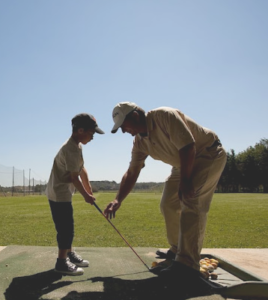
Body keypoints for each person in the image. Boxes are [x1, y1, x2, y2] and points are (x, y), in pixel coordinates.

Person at [104, 102, 227, 282]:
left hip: (206, 155)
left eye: (124, 125)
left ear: (135, 116)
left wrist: (185, 182)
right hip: (181, 164)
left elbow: (188, 146)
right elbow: (132, 172)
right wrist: (118, 200)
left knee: (191, 202)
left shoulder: (164, 116)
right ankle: (178, 250)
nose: (124, 130)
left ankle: (187, 265)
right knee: (168, 204)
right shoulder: (139, 141)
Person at [46, 113, 104, 276]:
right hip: (59, 194)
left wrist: (88, 187)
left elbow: (81, 168)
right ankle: (61, 262)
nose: (93, 137)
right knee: (66, 229)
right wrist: (86, 196)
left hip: (63, 191)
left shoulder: (77, 145)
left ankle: (69, 254)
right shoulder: (70, 148)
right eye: (91, 133)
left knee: (67, 227)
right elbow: (73, 177)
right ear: (80, 130)